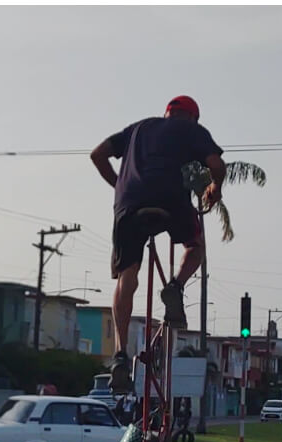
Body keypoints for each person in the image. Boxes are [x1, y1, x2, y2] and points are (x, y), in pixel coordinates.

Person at [91, 95, 226, 393]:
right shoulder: (191, 131)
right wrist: (215, 188)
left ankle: (120, 354)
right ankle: (175, 287)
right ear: (192, 117)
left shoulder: (136, 129)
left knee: (128, 276)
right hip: (170, 200)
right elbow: (216, 164)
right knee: (195, 247)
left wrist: (119, 187)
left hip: (128, 205)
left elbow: (97, 154)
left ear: (166, 113)